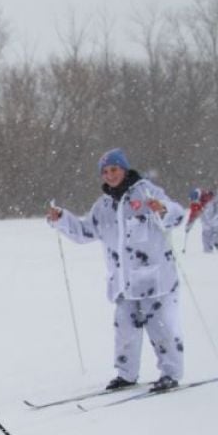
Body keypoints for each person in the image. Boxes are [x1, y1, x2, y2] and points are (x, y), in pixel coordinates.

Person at [46, 148, 186, 393]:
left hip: (155, 280)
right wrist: (61, 219)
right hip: (122, 282)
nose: (110, 175)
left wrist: (163, 210)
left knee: (161, 328)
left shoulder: (146, 192)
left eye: (114, 169)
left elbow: (176, 214)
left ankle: (170, 373)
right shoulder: (103, 206)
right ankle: (126, 374)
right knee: (124, 332)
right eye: (105, 172)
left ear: (125, 169)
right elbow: (85, 231)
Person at [185, 187, 218, 253]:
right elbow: (193, 215)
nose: (195, 201)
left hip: (215, 218)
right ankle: (208, 251)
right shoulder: (195, 204)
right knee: (207, 235)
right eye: (193, 200)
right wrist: (189, 224)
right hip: (206, 220)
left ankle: (214, 243)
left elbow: (217, 199)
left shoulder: (208, 196)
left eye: (196, 200)